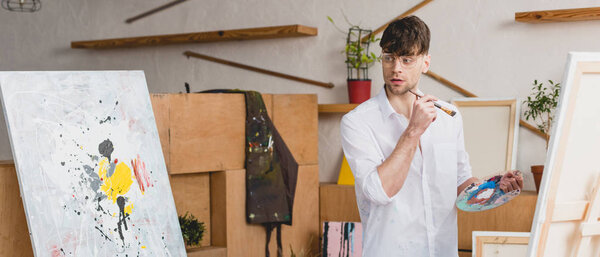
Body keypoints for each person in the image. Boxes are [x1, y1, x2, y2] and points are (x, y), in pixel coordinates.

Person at [340, 15, 524, 256]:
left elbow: (461, 182)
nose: (396, 68)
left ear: (425, 62)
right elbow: (378, 191)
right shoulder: (357, 122)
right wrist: (413, 131)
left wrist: (494, 187)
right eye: (389, 58)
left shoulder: (450, 117)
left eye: (407, 60)